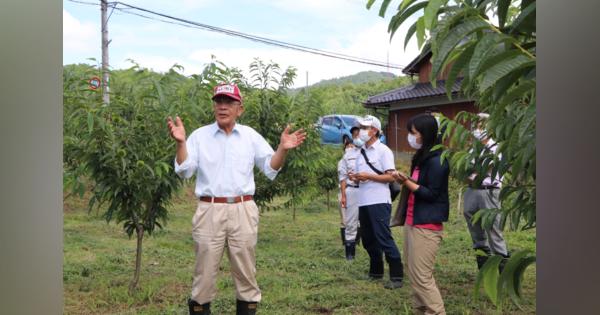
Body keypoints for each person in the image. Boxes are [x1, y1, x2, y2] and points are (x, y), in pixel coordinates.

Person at [167, 83, 306, 315]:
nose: (223, 107)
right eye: (218, 102)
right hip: (210, 210)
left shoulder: (250, 136)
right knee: (204, 272)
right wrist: (180, 143)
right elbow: (184, 170)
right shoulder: (200, 136)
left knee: (246, 272)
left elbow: (271, 168)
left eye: (229, 102)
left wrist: (283, 148)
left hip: (243, 209)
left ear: (239, 109)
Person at [392, 113, 449, 315]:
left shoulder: (438, 161)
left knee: (422, 276)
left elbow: (432, 194)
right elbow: (419, 186)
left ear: (425, 134)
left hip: (426, 226)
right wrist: (406, 178)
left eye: (413, 133)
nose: (410, 136)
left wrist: (406, 182)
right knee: (414, 274)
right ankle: (421, 310)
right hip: (412, 222)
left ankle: (436, 312)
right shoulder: (422, 158)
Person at [348, 115, 404, 289]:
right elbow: (362, 178)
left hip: (379, 200)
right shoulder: (360, 152)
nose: (361, 131)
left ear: (374, 131)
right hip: (363, 201)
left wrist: (369, 176)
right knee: (368, 239)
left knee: (383, 237)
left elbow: (390, 176)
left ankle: (396, 276)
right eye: (361, 127)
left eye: (365, 127)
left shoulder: (383, 151)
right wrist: (356, 178)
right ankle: (376, 271)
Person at [463, 113, 509, 270]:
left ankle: (503, 267)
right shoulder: (473, 148)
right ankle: (483, 264)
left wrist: (473, 173)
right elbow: (465, 168)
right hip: (472, 190)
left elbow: (489, 167)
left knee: (493, 228)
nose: (477, 128)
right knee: (473, 223)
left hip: (489, 191)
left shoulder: (495, 147)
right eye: (475, 125)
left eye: (481, 124)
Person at [338, 138, 360, 260]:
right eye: (348, 146)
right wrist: (343, 196)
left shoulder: (362, 157)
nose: (350, 148)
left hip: (365, 190)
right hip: (350, 190)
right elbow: (342, 179)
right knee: (349, 222)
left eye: (352, 145)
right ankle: (350, 254)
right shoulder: (344, 160)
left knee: (362, 222)